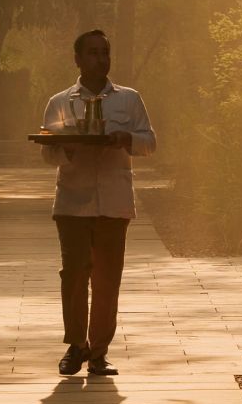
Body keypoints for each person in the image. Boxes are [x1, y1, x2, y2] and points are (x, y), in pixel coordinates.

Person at [41, 29, 156, 376]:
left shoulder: (129, 100)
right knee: (74, 276)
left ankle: (99, 352)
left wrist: (125, 139)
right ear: (77, 59)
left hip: (114, 204)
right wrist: (69, 146)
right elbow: (47, 153)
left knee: (107, 280)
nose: (100, 59)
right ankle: (76, 346)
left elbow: (150, 142)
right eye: (92, 53)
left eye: (105, 52)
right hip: (73, 204)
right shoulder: (60, 102)